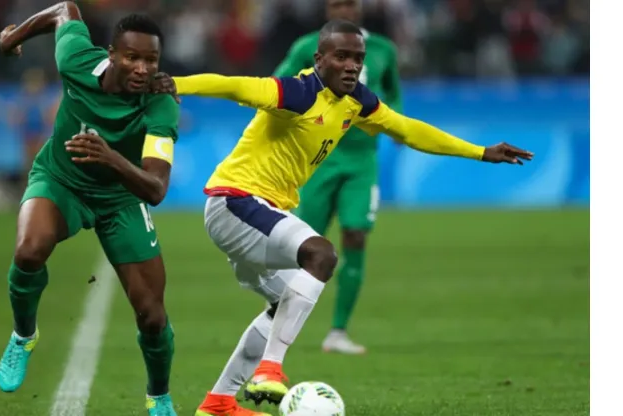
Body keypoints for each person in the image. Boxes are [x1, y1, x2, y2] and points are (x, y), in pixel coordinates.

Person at [152, 19, 533, 416]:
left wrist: (479, 152)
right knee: (321, 254)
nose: (352, 65)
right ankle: (269, 369)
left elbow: (407, 130)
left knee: (282, 304)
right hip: (235, 200)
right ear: (320, 60)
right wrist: (179, 84)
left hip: (256, 212)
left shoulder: (357, 102)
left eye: (358, 58)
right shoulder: (296, 92)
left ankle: (218, 403)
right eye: (342, 57)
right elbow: (234, 85)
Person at [0, 2, 179, 415]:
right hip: (61, 180)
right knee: (29, 249)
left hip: (122, 199)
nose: (142, 68)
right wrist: (14, 37)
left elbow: (155, 188)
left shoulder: (161, 105)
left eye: (151, 60)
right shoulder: (77, 59)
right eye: (132, 57)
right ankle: (23, 335)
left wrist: (110, 157)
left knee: (151, 314)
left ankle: (159, 395)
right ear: (111, 54)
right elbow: (65, 9)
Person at [273, 0, 402, 355]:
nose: (343, 8)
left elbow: (393, 92)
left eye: (349, 3)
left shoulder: (382, 49)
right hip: (318, 159)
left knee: (356, 234)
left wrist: (390, 123)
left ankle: (338, 332)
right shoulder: (306, 47)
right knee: (300, 246)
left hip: (362, 161)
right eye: (335, 3)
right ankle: (277, 324)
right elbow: (277, 85)